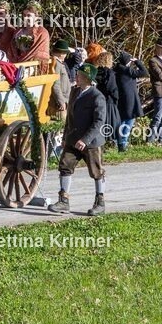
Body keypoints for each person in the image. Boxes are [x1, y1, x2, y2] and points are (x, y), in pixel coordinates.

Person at [48, 64, 107, 216]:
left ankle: (100, 203)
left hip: (91, 142)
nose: (76, 77)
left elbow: (99, 122)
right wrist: (66, 136)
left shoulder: (97, 96)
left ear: (87, 79)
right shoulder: (75, 92)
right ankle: (63, 201)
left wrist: (85, 140)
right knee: (65, 166)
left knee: (96, 172)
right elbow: (70, 117)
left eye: (80, 75)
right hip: (73, 139)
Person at [114, 51, 148, 152]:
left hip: (121, 99)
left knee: (122, 121)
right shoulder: (127, 71)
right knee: (128, 121)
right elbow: (144, 72)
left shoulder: (116, 70)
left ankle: (120, 142)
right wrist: (138, 62)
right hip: (130, 100)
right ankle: (122, 143)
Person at [93, 52, 121, 148]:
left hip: (98, 100)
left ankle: (101, 143)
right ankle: (113, 144)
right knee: (112, 123)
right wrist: (116, 98)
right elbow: (112, 88)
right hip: (109, 101)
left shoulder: (95, 72)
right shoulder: (109, 73)